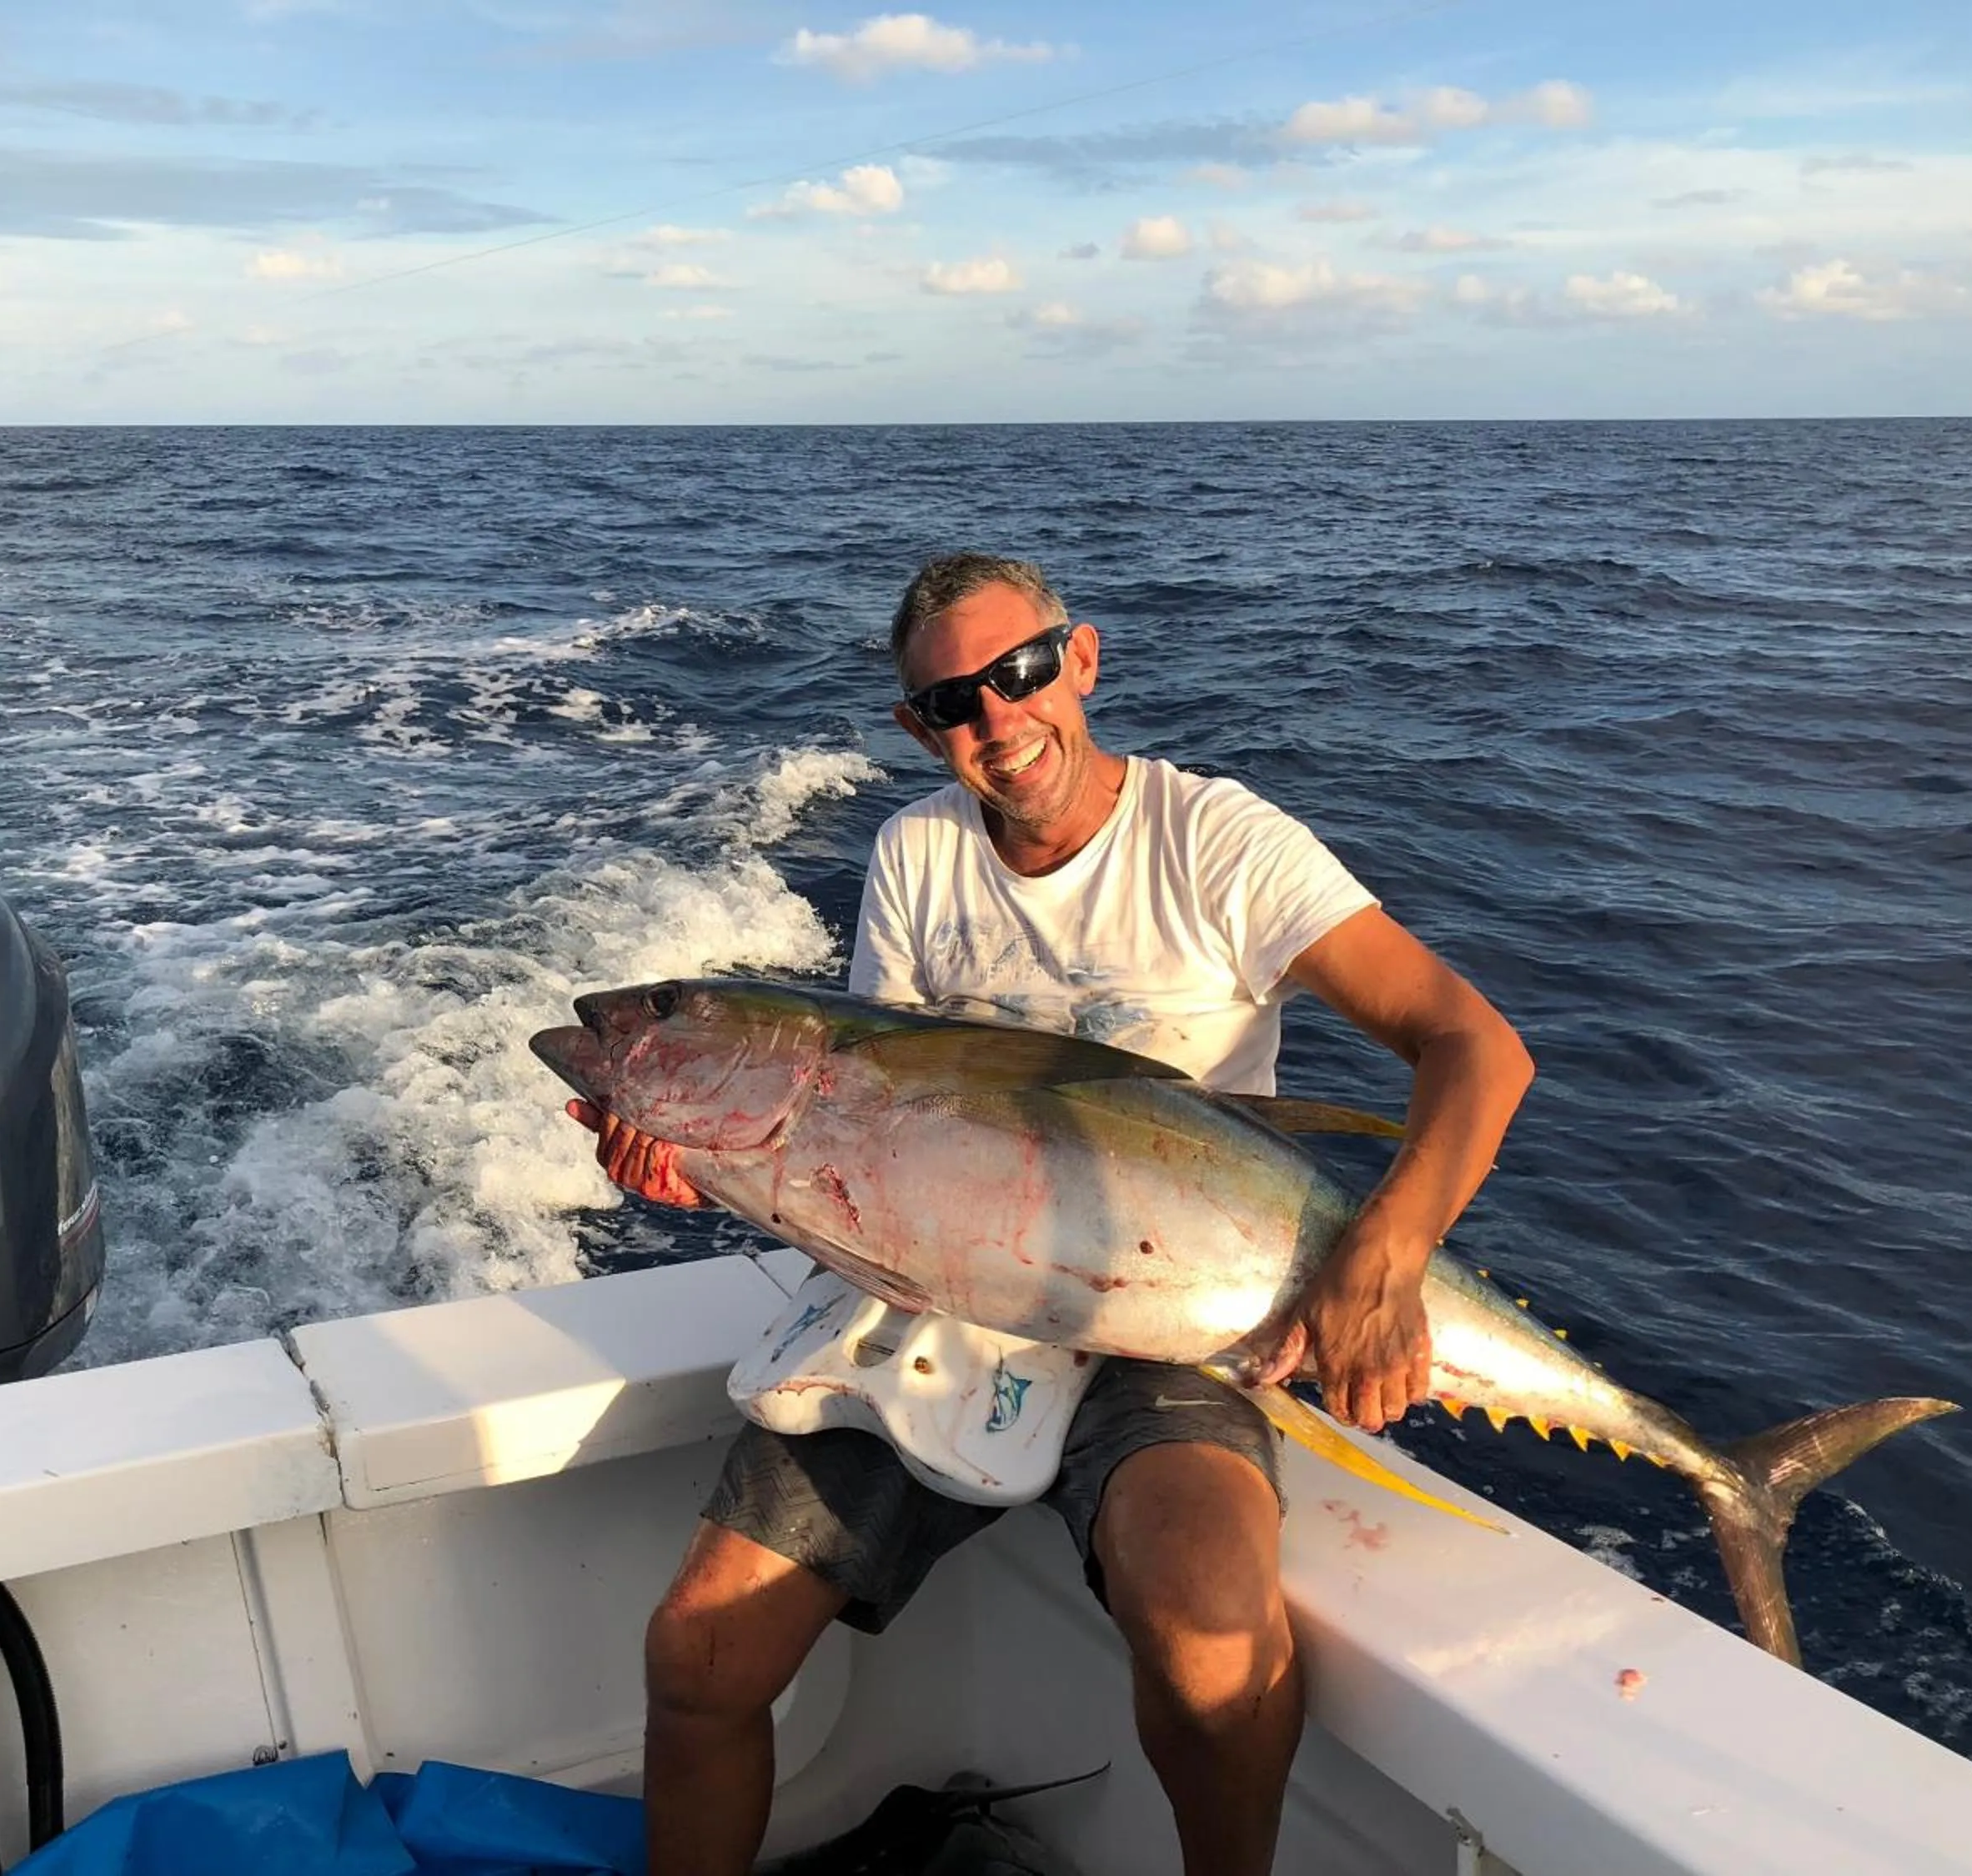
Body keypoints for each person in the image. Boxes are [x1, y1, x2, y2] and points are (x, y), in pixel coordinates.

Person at [567, 553, 1535, 1876]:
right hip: (939, 1310)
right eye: (952, 703)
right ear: (918, 728)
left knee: (1213, 1650)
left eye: (1019, 673)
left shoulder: (1216, 842)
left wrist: (1386, 1251)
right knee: (697, 1652)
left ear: (1080, 659)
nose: (996, 720)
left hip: (1180, 1325)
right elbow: (873, 1160)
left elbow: (1475, 1045)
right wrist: (716, 1170)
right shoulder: (916, 855)